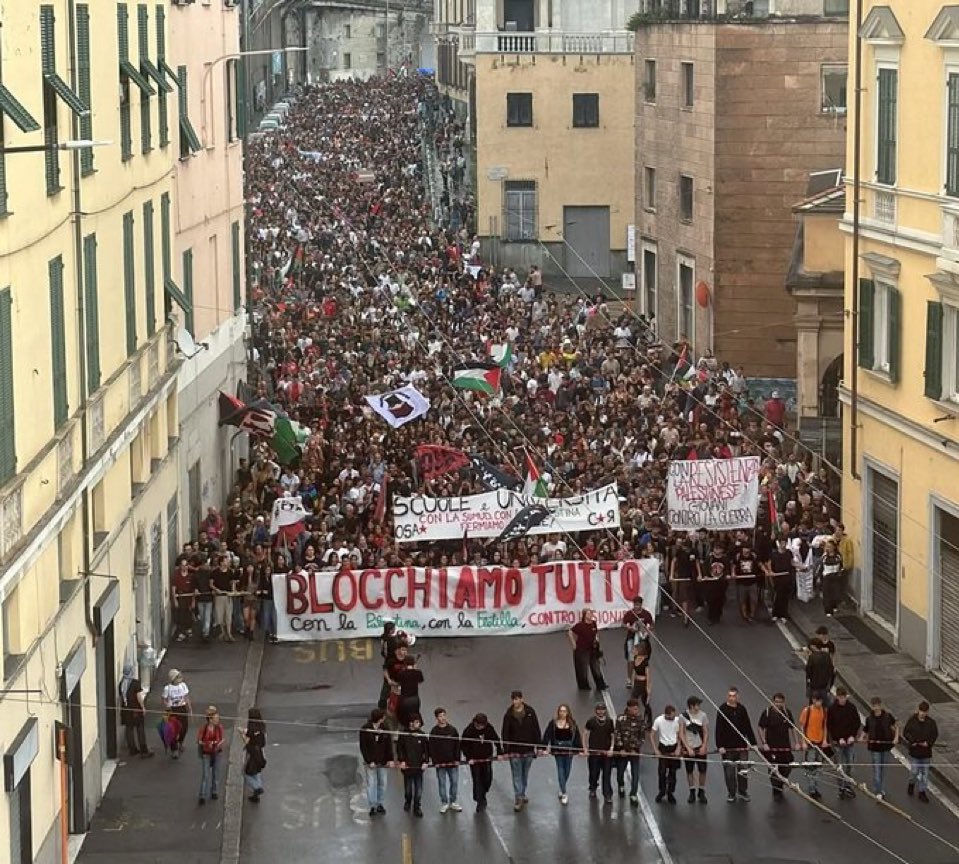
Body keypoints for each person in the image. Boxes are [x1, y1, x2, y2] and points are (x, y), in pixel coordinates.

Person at [501, 690, 541, 811]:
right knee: (516, 774)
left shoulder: (530, 712)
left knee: (525, 773)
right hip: (515, 750)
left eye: (517, 699)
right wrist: (506, 750)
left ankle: (522, 793)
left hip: (528, 749)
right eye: (513, 699)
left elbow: (536, 729)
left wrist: (538, 747)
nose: (515, 701)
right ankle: (518, 797)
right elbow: (505, 733)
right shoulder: (508, 715)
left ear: (522, 699)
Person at [715, 687, 756, 803]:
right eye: (730, 696)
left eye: (734, 696)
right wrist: (720, 746)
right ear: (727, 696)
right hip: (727, 748)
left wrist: (753, 743)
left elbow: (748, 726)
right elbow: (718, 729)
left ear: (738, 696)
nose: (732, 698)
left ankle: (742, 791)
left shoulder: (742, 709)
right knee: (729, 772)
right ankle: (731, 792)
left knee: (743, 770)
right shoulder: (722, 709)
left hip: (742, 746)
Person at [541, 704, 582, 805]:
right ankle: (564, 792)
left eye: (564, 711)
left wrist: (579, 749)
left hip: (569, 751)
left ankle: (561, 786)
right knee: (560, 770)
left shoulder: (572, 724)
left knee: (567, 770)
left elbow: (577, 736)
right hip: (558, 751)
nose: (562, 713)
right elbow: (547, 735)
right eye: (561, 711)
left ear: (568, 712)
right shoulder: (553, 723)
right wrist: (543, 748)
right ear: (558, 712)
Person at [460, 712, 502, 812]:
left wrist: (500, 752)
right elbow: (463, 745)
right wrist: (468, 757)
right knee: (477, 780)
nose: (481, 727)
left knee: (488, 778)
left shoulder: (488, 728)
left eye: (483, 726)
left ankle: (483, 792)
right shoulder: (469, 730)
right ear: (475, 723)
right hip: (474, 760)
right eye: (479, 726)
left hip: (487, 757)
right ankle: (480, 800)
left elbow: (496, 739)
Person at [758, 692, 796, 801]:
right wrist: (764, 742)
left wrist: (797, 742)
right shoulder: (767, 713)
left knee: (788, 766)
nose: (778, 704)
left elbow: (792, 728)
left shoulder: (787, 713)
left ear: (783, 702)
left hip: (785, 746)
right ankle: (776, 789)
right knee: (773, 769)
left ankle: (781, 783)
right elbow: (760, 727)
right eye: (776, 702)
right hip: (771, 747)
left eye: (780, 702)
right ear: (773, 701)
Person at [827, 686, 861, 799]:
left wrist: (852, 736)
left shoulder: (851, 708)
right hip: (838, 743)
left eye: (844, 697)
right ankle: (841, 788)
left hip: (849, 741)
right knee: (840, 766)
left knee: (849, 764)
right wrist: (837, 739)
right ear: (837, 696)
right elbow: (830, 726)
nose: (842, 699)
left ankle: (848, 785)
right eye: (840, 697)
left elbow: (856, 723)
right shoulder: (832, 709)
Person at [902, 700, 938, 803]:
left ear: (927, 712)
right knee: (914, 772)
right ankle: (911, 784)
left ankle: (922, 792)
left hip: (926, 752)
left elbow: (934, 734)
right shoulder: (912, 720)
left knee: (924, 774)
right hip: (915, 752)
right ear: (918, 710)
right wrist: (912, 741)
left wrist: (929, 743)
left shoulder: (931, 723)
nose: (922, 713)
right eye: (921, 711)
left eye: (924, 711)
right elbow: (906, 732)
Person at [359, 708, 393, 817]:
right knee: (371, 783)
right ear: (380, 718)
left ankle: (380, 803)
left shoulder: (385, 729)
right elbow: (363, 747)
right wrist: (369, 761)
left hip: (382, 761)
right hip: (371, 763)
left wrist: (390, 759)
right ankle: (372, 805)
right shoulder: (365, 729)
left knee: (383, 783)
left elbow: (389, 746)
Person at [863, 696, 898, 799]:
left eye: (878, 706)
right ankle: (878, 791)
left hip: (886, 747)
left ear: (880, 705)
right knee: (877, 770)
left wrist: (896, 737)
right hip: (875, 748)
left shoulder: (887, 716)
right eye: (874, 706)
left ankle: (879, 787)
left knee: (883, 769)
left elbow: (896, 726)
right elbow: (866, 729)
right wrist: (862, 737)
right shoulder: (869, 719)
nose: (876, 708)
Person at [429, 707, 463, 813]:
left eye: (444, 715)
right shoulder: (434, 731)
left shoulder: (452, 730)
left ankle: (453, 801)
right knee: (442, 783)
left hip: (452, 762)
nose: (442, 718)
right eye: (440, 716)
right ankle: (444, 802)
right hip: (440, 764)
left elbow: (457, 745)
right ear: (436, 718)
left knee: (454, 782)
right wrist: (435, 762)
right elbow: (432, 748)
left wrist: (457, 759)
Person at [613, 697, 645, 807]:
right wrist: (621, 748)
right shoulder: (620, 719)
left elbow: (642, 737)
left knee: (635, 774)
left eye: (637, 709)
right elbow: (617, 735)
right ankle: (621, 786)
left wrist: (635, 748)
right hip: (623, 752)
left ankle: (633, 794)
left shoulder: (640, 720)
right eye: (634, 709)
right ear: (629, 708)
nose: (636, 711)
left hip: (635, 752)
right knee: (620, 772)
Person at [397, 714, 429, 817]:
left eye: (419, 722)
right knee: (408, 789)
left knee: (419, 789)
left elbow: (426, 750)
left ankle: (417, 807)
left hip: (419, 767)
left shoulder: (422, 735)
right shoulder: (403, 735)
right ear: (411, 723)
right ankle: (408, 801)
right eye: (417, 722)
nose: (419, 724)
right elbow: (399, 749)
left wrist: (426, 761)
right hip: (407, 767)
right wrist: (402, 761)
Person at [118, 663, 152, 759]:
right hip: (135, 710)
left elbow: (121, 697)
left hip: (125, 710)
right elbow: (138, 697)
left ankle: (132, 749)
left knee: (129, 729)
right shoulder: (135, 683)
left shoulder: (121, 684)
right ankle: (144, 750)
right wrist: (143, 707)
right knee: (140, 728)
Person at [798, 692, 829, 799]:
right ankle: (812, 789)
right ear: (813, 700)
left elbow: (824, 727)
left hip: (819, 743)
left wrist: (824, 739)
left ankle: (815, 787)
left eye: (821, 701)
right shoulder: (807, 711)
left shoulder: (823, 712)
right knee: (811, 766)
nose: (819, 703)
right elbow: (802, 727)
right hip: (810, 742)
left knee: (818, 767)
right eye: (817, 700)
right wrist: (804, 741)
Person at [678, 696, 709, 804]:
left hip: (700, 748)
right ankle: (692, 791)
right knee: (689, 770)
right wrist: (687, 748)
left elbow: (705, 732)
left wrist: (704, 746)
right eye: (697, 705)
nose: (699, 707)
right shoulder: (682, 717)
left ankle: (701, 790)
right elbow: (681, 733)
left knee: (702, 770)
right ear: (692, 705)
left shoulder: (703, 716)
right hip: (689, 748)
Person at [568, 608, 607, 691]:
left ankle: (600, 685)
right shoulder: (580, 625)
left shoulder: (593, 624)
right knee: (583, 669)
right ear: (585, 615)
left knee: (596, 667)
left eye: (591, 613)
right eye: (589, 613)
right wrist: (573, 644)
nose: (591, 615)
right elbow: (570, 632)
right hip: (582, 650)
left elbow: (596, 633)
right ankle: (584, 686)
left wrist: (597, 641)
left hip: (592, 649)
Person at [584, 702, 615, 803]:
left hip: (606, 753)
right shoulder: (591, 721)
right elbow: (585, 734)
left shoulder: (610, 722)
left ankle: (607, 795)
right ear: (596, 711)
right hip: (594, 753)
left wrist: (611, 748)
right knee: (594, 773)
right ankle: (593, 787)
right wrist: (585, 748)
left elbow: (612, 736)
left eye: (602, 709)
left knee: (607, 774)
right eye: (599, 709)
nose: (601, 711)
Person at [650, 704, 681, 804]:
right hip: (663, 747)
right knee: (662, 772)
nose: (673, 717)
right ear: (666, 714)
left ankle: (670, 793)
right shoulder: (659, 720)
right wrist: (655, 750)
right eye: (671, 716)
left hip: (674, 746)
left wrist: (678, 748)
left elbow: (680, 735)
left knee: (673, 772)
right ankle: (662, 791)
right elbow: (652, 734)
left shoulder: (677, 720)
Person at [622, 596, 653, 687]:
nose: (636, 607)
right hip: (631, 638)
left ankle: (642, 678)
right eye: (635, 605)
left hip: (642, 640)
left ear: (641, 604)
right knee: (631, 659)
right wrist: (629, 627)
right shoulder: (629, 614)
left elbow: (651, 624)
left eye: (638, 605)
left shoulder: (646, 614)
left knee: (642, 659)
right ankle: (629, 679)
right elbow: (623, 623)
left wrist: (647, 628)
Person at [197, 706, 225, 805]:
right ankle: (202, 795)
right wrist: (206, 743)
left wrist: (218, 743)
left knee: (216, 773)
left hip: (217, 752)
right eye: (216, 718)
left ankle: (214, 791)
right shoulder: (204, 729)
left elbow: (222, 739)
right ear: (210, 719)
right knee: (205, 774)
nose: (218, 720)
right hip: (207, 753)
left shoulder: (219, 727)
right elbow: (199, 740)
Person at [162, 668, 192, 757]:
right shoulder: (167, 688)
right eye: (178, 677)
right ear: (173, 678)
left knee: (184, 728)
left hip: (182, 708)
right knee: (173, 730)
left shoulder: (183, 686)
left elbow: (186, 697)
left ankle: (180, 742)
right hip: (173, 709)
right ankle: (174, 749)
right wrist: (166, 705)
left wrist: (190, 709)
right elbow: (164, 699)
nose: (181, 678)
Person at [765, 536, 794, 622]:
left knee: (785, 597)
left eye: (784, 543)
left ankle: (783, 614)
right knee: (778, 596)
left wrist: (801, 566)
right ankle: (775, 614)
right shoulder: (774, 554)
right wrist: (770, 572)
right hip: (777, 577)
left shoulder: (789, 553)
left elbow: (792, 563)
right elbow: (769, 563)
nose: (783, 545)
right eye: (781, 543)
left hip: (787, 577)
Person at [242, 707, 267, 803]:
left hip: (252, 752)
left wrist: (242, 733)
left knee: (246, 772)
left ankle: (257, 787)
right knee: (256, 772)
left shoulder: (251, 728)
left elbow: (246, 741)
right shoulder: (261, 726)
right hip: (260, 752)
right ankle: (256, 794)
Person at [733, 539, 760, 622]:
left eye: (747, 548)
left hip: (752, 582)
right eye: (744, 548)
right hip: (741, 582)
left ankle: (752, 615)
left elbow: (759, 564)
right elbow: (733, 566)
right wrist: (733, 573)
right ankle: (744, 615)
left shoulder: (754, 556)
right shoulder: (738, 556)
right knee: (742, 600)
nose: (746, 550)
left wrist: (766, 571)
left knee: (754, 600)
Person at [805, 638, 835, 707]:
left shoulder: (812, 657)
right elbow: (831, 670)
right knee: (824, 705)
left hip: (814, 686)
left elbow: (808, 671)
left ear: (813, 646)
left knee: (813, 706)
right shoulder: (827, 656)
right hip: (824, 686)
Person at [819, 538, 844, 617]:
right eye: (827, 547)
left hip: (836, 576)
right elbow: (821, 567)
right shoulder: (824, 557)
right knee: (827, 594)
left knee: (835, 593)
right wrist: (819, 577)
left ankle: (834, 605)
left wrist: (840, 573)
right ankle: (828, 610)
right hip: (827, 577)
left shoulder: (838, 556)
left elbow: (841, 566)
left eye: (830, 547)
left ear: (834, 547)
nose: (828, 548)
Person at [629, 640, 652, 723]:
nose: (633, 651)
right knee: (633, 700)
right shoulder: (635, 659)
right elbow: (634, 671)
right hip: (637, 683)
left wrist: (648, 688)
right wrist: (632, 682)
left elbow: (648, 675)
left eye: (634, 650)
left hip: (643, 683)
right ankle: (633, 716)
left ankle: (649, 719)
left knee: (645, 702)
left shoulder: (645, 662)